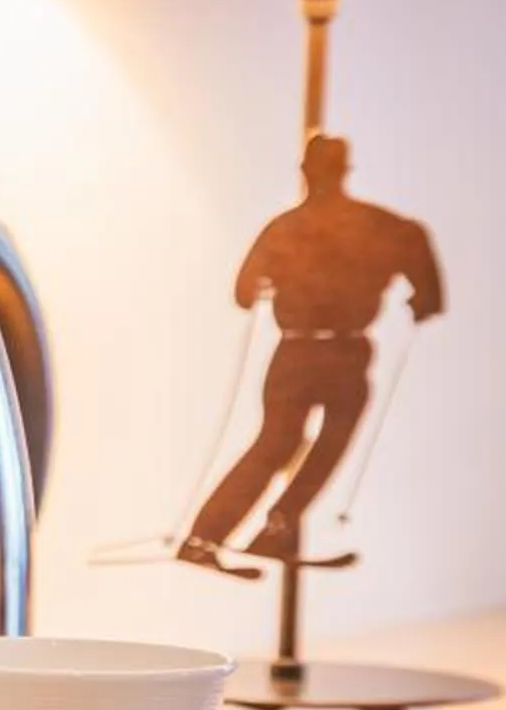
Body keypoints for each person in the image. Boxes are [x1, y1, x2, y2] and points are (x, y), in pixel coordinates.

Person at [180, 134, 441, 573]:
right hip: (338, 352)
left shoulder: (286, 228)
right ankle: (263, 527)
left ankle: (216, 534)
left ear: (306, 172)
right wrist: (421, 298)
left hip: (302, 352)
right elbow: (422, 266)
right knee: (313, 441)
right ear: (343, 172)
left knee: (280, 442)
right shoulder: (377, 226)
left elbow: (244, 292)